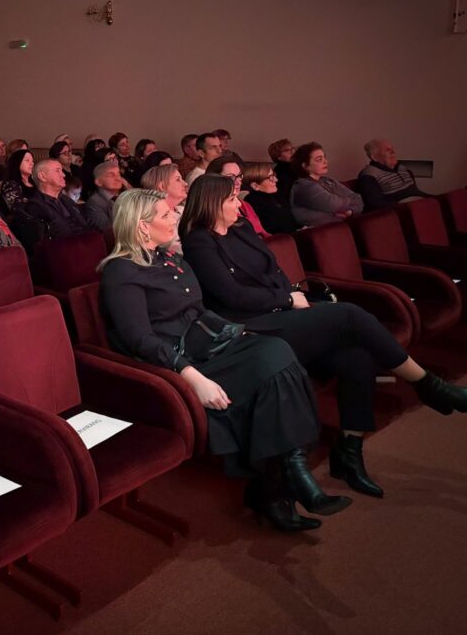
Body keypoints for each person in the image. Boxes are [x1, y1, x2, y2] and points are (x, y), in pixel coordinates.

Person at [179, 174, 467, 497]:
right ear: (213, 204)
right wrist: (287, 300)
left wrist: (289, 298)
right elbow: (232, 296)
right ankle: (428, 385)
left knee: (356, 357)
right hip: (251, 328)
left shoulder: (241, 229)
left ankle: (349, 453)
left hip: (283, 313)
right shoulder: (198, 242)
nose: (238, 205)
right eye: (232, 200)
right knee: (350, 314)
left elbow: (274, 270)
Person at [100, 189, 336, 532]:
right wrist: (193, 377)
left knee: (279, 352)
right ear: (142, 227)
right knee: (273, 365)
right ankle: (282, 484)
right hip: (177, 363)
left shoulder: (170, 259)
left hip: (208, 345)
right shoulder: (121, 272)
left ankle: (285, 475)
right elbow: (141, 339)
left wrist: (236, 332)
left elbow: (199, 311)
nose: (175, 218)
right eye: (166, 215)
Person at [290, 142, 363, 226]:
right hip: (319, 231)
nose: (325, 162)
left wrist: (350, 212)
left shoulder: (328, 180)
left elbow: (358, 199)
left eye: (324, 157)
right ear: (305, 165)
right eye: (319, 159)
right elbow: (333, 204)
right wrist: (348, 203)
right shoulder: (303, 186)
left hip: (340, 227)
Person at [21, 159, 93, 239]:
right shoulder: (35, 207)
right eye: (57, 171)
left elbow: (87, 222)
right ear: (42, 176)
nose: (63, 175)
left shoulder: (66, 199)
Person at [206, 154, 269, 238]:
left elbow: (264, 234)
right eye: (231, 177)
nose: (238, 182)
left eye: (239, 176)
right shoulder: (215, 211)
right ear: (214, 180)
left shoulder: (245, 205)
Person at [358, 139, 429, 211]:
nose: (393, 152)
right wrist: (407, 206)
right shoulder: (369, 174)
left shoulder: (402, 169)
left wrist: (433, 198)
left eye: (392, 149)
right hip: (400, 211)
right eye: (387, 150)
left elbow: (416, 192)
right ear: (374, 157)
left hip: (419, 205)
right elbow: (376, 204)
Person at [140, 163, 188, 254]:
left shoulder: (184, 209)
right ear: (162, 186)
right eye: (178, 179)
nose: (185, 184)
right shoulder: (153, 218)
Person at [242, 162, 299, 234]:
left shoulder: (276, 194)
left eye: (274, 175)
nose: (276, 180)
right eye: (270, 177)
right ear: (255, 186)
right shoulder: (252, 202)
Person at [84, 160, 126, 231]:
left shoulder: (125, 195)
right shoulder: (94, 203)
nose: (118, 178)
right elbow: (108, 230)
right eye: (111, 175)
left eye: (118, 174)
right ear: (98, 182)